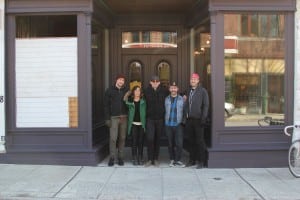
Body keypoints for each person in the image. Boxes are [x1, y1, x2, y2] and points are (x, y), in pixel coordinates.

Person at [185, 73, 209, 169]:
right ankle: (192, 160)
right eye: (191, 79)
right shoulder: (188, 91)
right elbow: (187, 103)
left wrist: (203, 118)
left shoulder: (203, 91)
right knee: (191, 141)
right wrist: (186, 114)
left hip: (199, 120)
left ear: (198, 81)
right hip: (190, 120)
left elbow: (206, 106)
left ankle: (201, 161)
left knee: (200, 141)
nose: (193, 80)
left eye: (195, 79)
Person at [144, 75, 168, 167]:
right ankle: (150, 159)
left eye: (157, 81)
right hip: (149, 119)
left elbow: (174, 93)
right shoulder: (146, 91)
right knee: (150, 139)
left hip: (160, 119)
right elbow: (137, 97)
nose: (155, 83)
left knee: (158, 139)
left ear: (159, 82)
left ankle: (156, 159)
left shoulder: (164, 91)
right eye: (153, 81)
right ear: (150, 82)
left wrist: (184, 95)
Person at [104, 74, 128, 166]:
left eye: (123, 80)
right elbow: (106, 106)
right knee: (113, 138)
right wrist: (107, 118)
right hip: (113, 118)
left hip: (124, 117)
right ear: (116, 80)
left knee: (122, 138)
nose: (121, 81)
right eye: (120, 80)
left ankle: (121, 157)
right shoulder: (109, 91)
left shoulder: (126, 90)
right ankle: (112, 157)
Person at [124, 85, 146, 165]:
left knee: (141, 142)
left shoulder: (143, 101)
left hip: (141, 124)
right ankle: (134, 157)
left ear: (141, 92)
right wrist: (128, 93)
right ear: (133, 92)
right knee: (134, 142)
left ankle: (140, 157)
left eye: (139, 90)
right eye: (136, 90)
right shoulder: (130, 101)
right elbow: (124, 100)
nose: (137, 92)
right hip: (133, 124)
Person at [164, 82, 185, 167]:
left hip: (178, 124)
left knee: (179, 143)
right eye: (172, 88)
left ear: (177, 89)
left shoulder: (181, 99)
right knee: (170, 143)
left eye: (175, 88)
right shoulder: (166, 99)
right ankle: (172, 160)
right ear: (169, 89)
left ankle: (178, 160)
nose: (173, 89)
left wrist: (183, 121)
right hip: (168, 124)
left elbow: (184, 111)